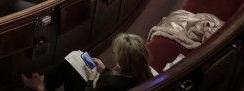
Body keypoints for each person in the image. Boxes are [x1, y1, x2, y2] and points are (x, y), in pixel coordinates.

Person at [22, 33, 153, 91]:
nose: (114, 54)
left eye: (116, 53)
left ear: (123, 61)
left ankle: (40, 87)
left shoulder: (109, 82)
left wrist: (91, 80)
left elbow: (109, 85)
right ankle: (43, 82)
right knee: (72, 62)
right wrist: (104, 70)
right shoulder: (145, 75)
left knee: (72, 66)